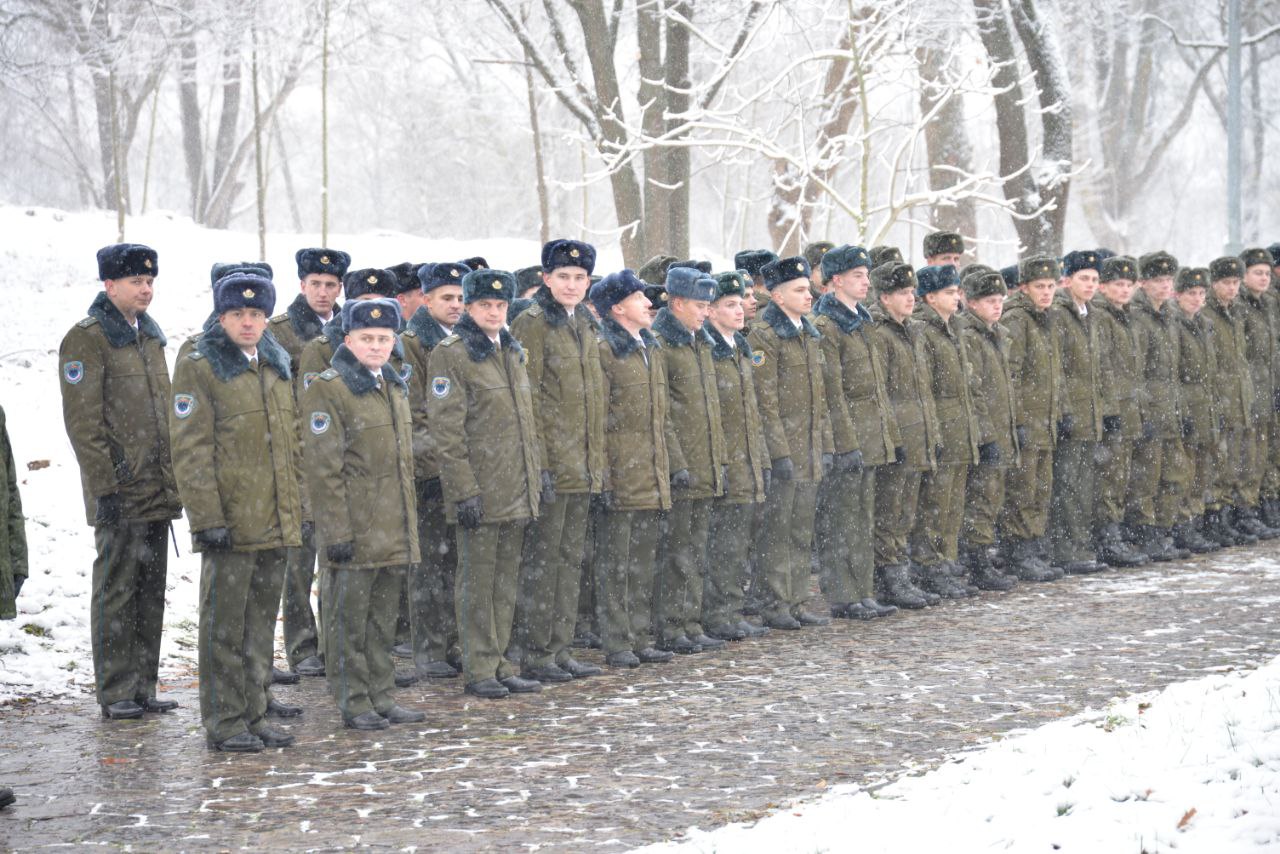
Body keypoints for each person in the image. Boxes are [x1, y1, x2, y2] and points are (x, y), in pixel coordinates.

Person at [170, 272, 304, 752]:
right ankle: (225, 720)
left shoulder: (275, 364)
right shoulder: (201, 366)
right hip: (231, 520)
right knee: (224, 627)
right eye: (237, 314)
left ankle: (255, 710)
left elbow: (291, 444)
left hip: (274, 519)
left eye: (256, 314)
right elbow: (191, 451)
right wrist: (208, 519)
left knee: (260, 624)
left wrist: (295, 508)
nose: (248, 322)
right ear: (222, 317)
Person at [59, 243, 182, 720]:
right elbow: (83, 424)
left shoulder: (150, 336)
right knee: (117, 591)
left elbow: (163, 415)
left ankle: (143, 685)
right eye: (136, 282)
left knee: (150, 592)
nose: (146, 289)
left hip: (156, 488)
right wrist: (105, 486)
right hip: (120, 490)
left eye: (150, 282)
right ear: (109, 285)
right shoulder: (87, 340)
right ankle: (115, 691)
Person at [302, 298, 424, 728]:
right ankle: (354, 700)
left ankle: (381, 694)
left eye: (384, 339)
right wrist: (336, 531)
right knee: (348, 622)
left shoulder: (392, 385)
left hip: (392, 525)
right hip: (355, 526)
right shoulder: (330, 388)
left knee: (382, 620)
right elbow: (324, 469)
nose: (376, 346)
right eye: (366, 338)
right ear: (348, 339)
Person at [426, 269, 543, 700]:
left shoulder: (511, 350)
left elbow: (526, 423)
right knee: (477, 581)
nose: (494, 313)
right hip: (481, 488)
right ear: (469, 308)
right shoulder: (453, 354)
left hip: (515, 485)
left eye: (500, 305)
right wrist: (463, 490)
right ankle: (478, 667)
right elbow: (447, 431)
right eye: (484, 306)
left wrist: (535, 476)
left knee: (504, 580)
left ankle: (499, 661)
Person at [510, 239, 607, 683]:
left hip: (583, 463)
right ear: (546, 278)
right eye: (563, 276)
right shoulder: (533, 324)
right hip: (553, 462)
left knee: (570, 559)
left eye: (579, 277)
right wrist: (541, 464)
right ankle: (536, 650)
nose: (571, 284)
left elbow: (592, 399)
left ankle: (560, 646)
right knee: (544, 562)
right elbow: (528, 398)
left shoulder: (584, 322)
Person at [588, 270, 677, 667]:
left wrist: (668, 465)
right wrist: (606, 477)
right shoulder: (605, 350)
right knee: (616, 563)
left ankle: (639, 635)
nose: (649, 303)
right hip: (622, 472)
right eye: (639, 297)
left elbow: (661, 417)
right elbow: (598, 421)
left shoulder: (649, 347)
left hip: (650, 470)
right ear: (618, 308)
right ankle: (617, 639)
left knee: (642, 560)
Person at [270, 247, 349, 680]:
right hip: (299, 455)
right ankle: (301, 645)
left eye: (330, 285)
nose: (322, 292)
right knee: (299, 559)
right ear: (302, 285)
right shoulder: (280, 331)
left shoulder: (351, 327)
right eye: (315, 284)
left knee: (338, 554)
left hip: (340, 456)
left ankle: (337, 641)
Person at [812, 246, 900, 617]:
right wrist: (845, 444)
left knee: (863, 517)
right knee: (841, 519)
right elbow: (833, 393)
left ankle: (862, 590)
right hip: (847, 437)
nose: (866, 282)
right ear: (836, 280)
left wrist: (889, 437)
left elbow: (878, 387)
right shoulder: (827, 326)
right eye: (857, 276)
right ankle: (843, 595)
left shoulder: (862, 322)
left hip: (870, 434)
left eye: (866, 276)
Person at [748, 256, 834, 629]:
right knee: (776, 531)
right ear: (778, 296)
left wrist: (826, 446)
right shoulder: (765, 336)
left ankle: (797, 599)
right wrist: (778, 453)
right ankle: (774, 601)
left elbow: (820, 398)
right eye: (799, 290)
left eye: (808, 289)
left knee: (800, 529)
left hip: (809, 448)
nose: (809, 295)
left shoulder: (808, 333)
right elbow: (764, 403)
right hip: (786, 449)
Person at [651, 266, 729, 653]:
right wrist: (677, 462)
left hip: (706, 462)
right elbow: (662, 412)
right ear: (678, 303)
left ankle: (691, 621)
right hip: (682, 464)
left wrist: (719, 458)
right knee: (676, 551)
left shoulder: (701, 343)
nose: (705, 312)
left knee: (697, 549)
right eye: (700, 305)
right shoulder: (662, 345)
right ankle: (671, 624)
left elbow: (711, 410)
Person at [400, 261, 469, 681]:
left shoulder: (465, 340)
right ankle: (428, 646)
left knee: (456, 561)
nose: (456, 305)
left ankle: (454, 642)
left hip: (462, 469)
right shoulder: (413, 343)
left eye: (461, 297)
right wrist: (434, 469)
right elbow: (416, 413)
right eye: (447, 298)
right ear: (426, 300)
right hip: (431, 473)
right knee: (429, 564)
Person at [702, 271, 774, 637]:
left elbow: (751, 413)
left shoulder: (738, 348)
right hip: (727, 461)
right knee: (723, 545)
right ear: (711, 311)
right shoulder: (709, 351)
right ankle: (717, 613)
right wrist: (723, 463)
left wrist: (761, 459)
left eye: (740, 303)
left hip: (748, 460)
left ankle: (730, 610)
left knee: (738, 543)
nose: (740, 310)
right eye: (729, 305)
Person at [909, 264, 982, 598]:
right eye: (949, 292)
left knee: (952, 504)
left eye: (957, 292)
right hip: (942, 427)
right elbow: (926, 388)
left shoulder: (955, 329)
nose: (956, 298)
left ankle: (946, 562)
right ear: (930, 297)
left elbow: (968, 385)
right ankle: (929, 565)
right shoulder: (925, 331)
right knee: (934, 505)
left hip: (960, 428)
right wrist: (934, 433)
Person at [869, 262, 938, 608]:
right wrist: (893, 439)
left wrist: (931, 433)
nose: (911, 298)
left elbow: (923, 391)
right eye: (902, 293)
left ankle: (900, 571)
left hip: (917, 435)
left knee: (906, 511)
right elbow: (881, 393)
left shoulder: (912, 332)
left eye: (912, 292)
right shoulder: (881, 335)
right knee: (890, 511)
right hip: (898, 438)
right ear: (884, 297)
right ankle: (888, 576)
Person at [999, 255, 1065, 581]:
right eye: (1040, 286)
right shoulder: (1018, 319)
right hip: (1028, 421)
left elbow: (1052, 374)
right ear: (1024, 287)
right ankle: (1018, 551)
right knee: (1022, 490)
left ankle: (1033, 546)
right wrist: (1019, 420)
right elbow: (1009, 376)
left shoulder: (1045, 318)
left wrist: (1058, 413)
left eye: (1051, 286)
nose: (1046, 292)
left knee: (1040, 488)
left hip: (1045, 420)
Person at [1125, 252, 1192, 559]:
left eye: (1168, 279)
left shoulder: (1169, 315)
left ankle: (1164, 528)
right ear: (1144, 283)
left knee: (1174, 473)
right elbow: (1135, 372)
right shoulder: (1138, 316)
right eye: (1158, 280)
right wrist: (1143, 413)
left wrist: (1181, 410)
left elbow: (1174, 371)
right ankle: (1145, 532)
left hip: (1170, 408)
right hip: (1150, 408)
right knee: (1145, 478)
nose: (1165, 285)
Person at [956, 270, 1018, 590]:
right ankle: (977, 560)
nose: (997, 306)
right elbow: (974, 390)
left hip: (999, 426)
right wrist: (984, 435)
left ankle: (981, 556)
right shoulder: (970, 335)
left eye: (999, 300)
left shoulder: (995, 333)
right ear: (971, 303)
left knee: (992, 496)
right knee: (980, 498)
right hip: (985, 431)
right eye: (990, 301)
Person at [1047, 251, 1106, 574]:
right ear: (1067, 280)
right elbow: (1058, 370)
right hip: (1071, 413)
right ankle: (1065, 548)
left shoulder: (1090, 313)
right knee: (1067, 485)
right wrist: (1065, 410)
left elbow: (1098, 368)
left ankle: (1081, 544)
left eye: (1095, 279)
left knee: (1084, 483)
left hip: (1089, 413)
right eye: (1084, 278)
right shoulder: (1059, 314)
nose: (1090, 284)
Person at [1090, 256, 1151, 566]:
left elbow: (1136, 371)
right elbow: (1102, 368)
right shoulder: (1102, 318)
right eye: (1118, 284)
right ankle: (1106, 537)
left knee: (1123, 474)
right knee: (1109, 477)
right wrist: (1109, 410)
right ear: (1104, 287)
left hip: (1129, 407)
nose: (1125, 289)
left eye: (1129, 284)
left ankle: (1117, 532)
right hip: (1113, 409)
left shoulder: (1128, 317)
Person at [1202, 256, 1257, 546]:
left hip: (1237, 396)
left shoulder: (1235, 311)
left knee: (1236, 460)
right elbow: (1211, 366)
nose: (1233, 288)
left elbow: (1241, 360)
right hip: (1220, 398)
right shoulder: (1207, 313)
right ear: (1214, 283)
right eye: (1226, 282)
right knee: (1217, 462)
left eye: (1236, 282)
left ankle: (1228, 515)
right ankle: (1213, 517)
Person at [1170, 267, 1221, 554]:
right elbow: (1174, 374)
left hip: (1205, 406)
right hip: (1187, 407)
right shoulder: (1175, 324)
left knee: (1203, 468)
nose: (1197, 298)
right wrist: (1182, 411)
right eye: (1191, 293)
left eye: (1202, 293)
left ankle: (1196, 521)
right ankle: (1183, 524)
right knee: (1184, 471)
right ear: (1178, 294)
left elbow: (1210, 372)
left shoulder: (1204, 325)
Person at [1237, 247, 1280, 537]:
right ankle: (1245, 509)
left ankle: (1268, 501)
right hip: (1248, 390)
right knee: (1247, 455)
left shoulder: (1268, 303)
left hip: (1268, 386)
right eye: (1257, 273)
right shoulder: (1241, 305)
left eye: (1266, 273)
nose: (1264, 278)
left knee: (1267, 452)